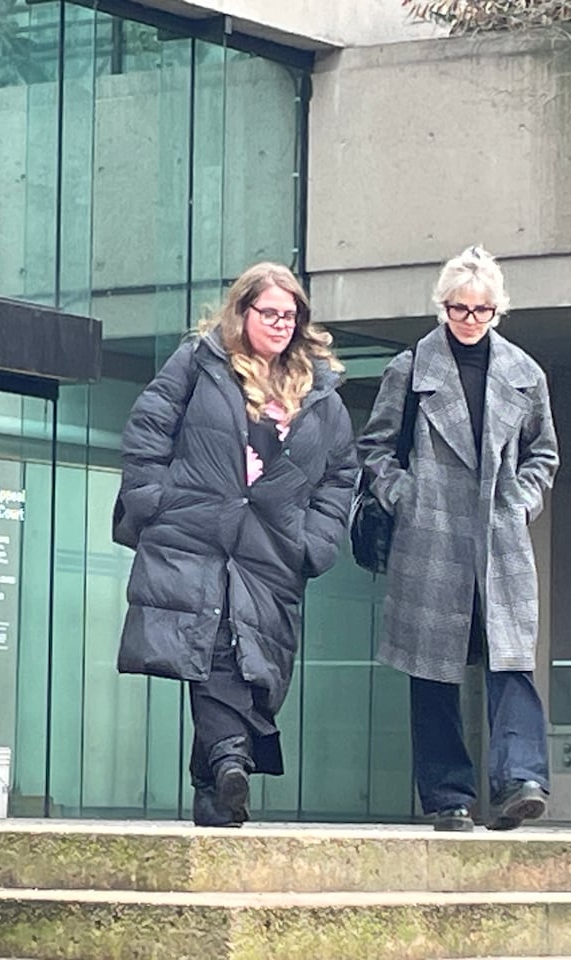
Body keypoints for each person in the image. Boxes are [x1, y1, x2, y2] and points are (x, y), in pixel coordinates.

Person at [113, 262, 357, 828]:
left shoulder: (319, 391)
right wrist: (152, 499)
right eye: (269, 312)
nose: (279, 324)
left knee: (256, 662)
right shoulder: (201, 362)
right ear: (242, 311)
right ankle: (229, 759)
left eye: (289, 315)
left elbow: (342, 472)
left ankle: (215, 787)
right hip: (195, 534)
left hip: (271, 550)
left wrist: (316, 540)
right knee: (213, 643)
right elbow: (150, 424)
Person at [357, 245, 560, 832]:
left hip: (499, 536)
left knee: (511, 661)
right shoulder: (410, 368)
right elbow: (374, 447)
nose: (470, 320)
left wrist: (522, 501)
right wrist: (406, 496)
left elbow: (543, 452)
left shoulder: (526, 373)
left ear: (499, 310)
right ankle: (448, 796)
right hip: (432, 538)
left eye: (482, 310)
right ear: (441, 306)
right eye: (459, 309)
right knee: (433, 670)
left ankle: (521, 780)